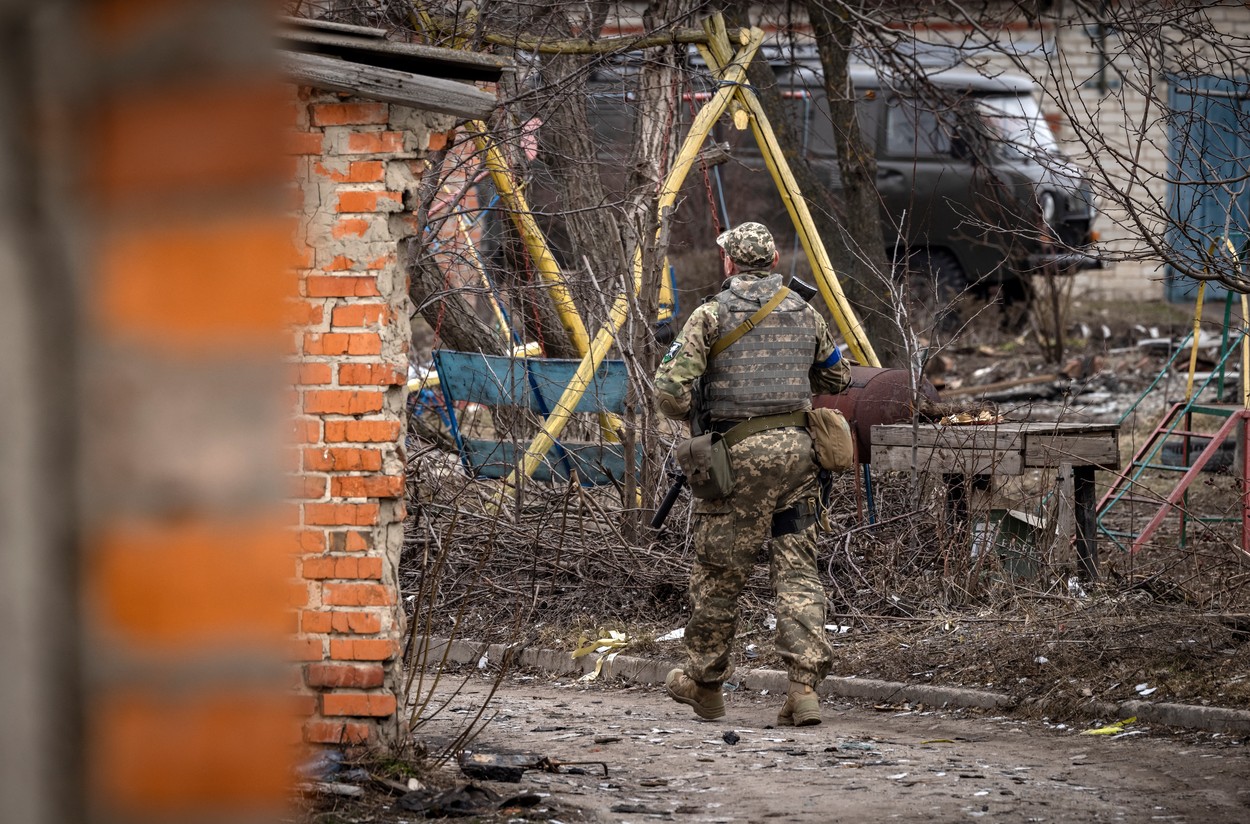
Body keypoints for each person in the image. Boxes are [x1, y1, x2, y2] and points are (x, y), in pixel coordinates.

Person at [653, 221, 851, 726]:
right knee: (798, 572)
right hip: (799, 458)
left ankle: (705, 684)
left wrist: (697, 410)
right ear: (774, 262)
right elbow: (836, 376)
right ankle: (804, 689)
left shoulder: (709, 315)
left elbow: (669, 393)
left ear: (729, 263)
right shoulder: (804, 311)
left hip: (734, 461)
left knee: (720, 575)